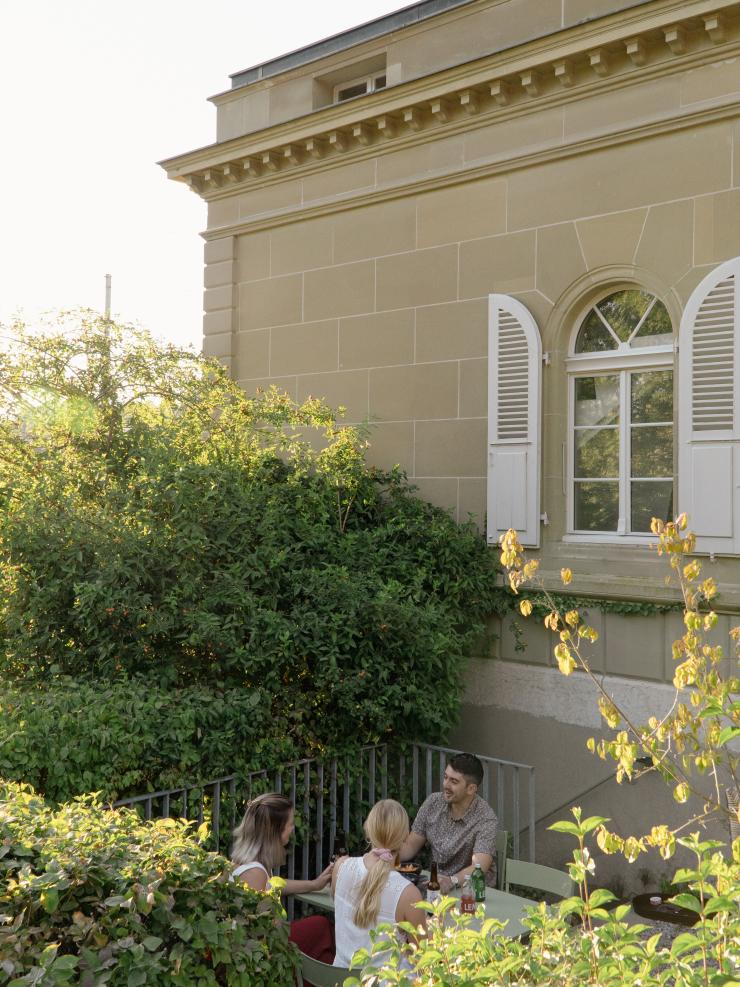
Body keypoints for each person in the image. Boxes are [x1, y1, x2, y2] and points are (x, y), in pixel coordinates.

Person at [231, 792, 334, 966]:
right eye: (290, 824)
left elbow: (275, 885)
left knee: (322, 953)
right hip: (263, 955)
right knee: (321, 925)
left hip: (267, 945)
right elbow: (257, 931)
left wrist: (314, 884)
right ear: (275, 830)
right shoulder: (255, 873)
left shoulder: (252, 863)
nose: (292, 828)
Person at [332, 799, 426, 969]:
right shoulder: (409, 894)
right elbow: (423, 959)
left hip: (340, 977)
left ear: (367, 830)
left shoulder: (340, 867)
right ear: (406, 836)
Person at [400, 752, 497, 891]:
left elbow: (479, 867)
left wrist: (451, 881)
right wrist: (386, 855)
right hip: (435, 886)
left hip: (471, 892)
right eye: (445, 777)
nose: (446, 785)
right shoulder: (433, 803)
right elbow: (410, 846)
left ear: (471, 789)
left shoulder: (485, 818)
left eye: (454, 781)